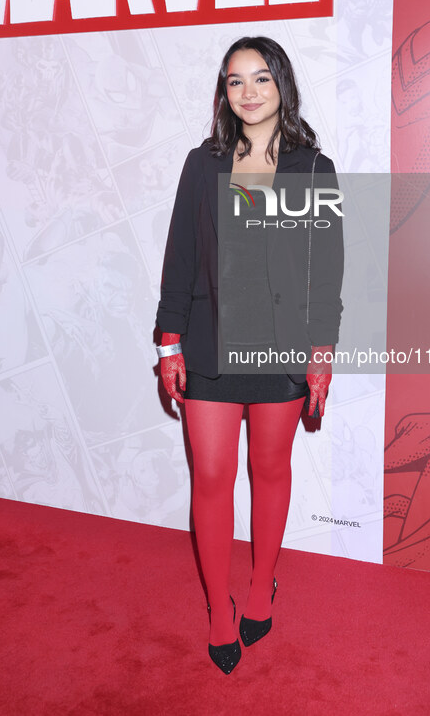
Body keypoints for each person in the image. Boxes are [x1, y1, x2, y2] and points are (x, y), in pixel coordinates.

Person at [156, 36, 343, 674]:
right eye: (235, 81)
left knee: (270, 472)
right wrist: (168, 341)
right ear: (224, 93)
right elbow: (180, 256)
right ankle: (218, 608)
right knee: (210, 480)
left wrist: (321, 354)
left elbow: (326, 273)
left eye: (261, 78)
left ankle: (261, 584)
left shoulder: (313, 168)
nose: (249, 91)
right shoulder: (200, 164)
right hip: (208, 347)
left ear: (281, 86)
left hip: (280, 350)